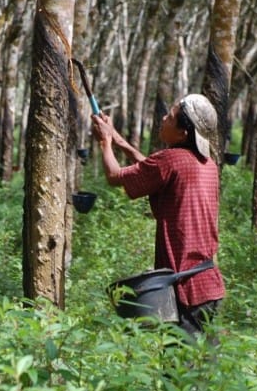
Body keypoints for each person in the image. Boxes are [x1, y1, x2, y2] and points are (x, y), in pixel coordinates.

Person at [91, 93, 225, 336]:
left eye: (170, 117)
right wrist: (119, 140)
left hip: (186, 289)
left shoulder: (170, 160)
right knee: (204, 365)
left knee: (180, 370)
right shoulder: (207, 165)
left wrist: (104, 142)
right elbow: (152, 170)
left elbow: (114, 176)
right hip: (208, 284)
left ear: (184, 133)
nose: (163, 118)